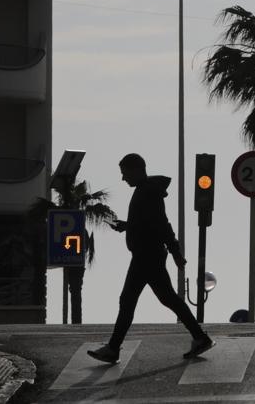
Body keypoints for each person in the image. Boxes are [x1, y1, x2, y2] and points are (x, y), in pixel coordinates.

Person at [87, 153, 214, 363]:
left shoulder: (147, 192)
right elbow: (150, 224)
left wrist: (176, 252)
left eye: (125, 173)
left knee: (128, 300)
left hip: (147, 256)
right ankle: (200, 337)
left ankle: (113, 348)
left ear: (136, 169)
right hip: (148, 255)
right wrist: (127, 226)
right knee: (168, 299)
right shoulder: (145, 191)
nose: (123, 178)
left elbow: (162, 224)